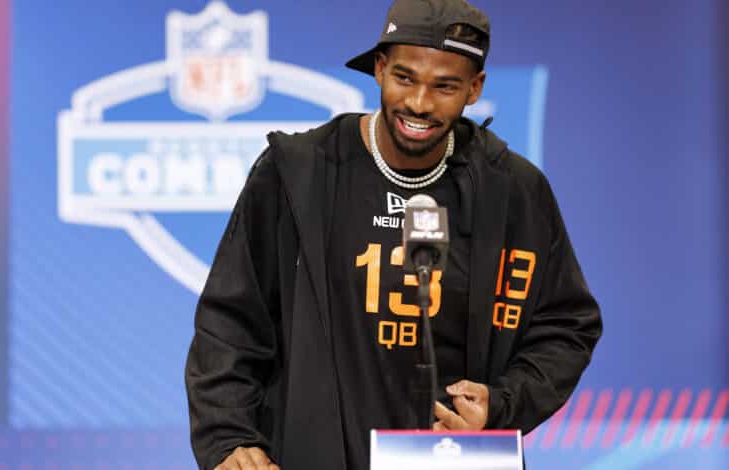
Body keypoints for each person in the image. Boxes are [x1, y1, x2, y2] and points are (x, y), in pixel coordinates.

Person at [185, 1, 602, 469]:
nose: (420, 103)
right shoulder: (297, 175)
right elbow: (230, 322)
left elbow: (566, 326)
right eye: (405, 78)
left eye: (445, 86)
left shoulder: (513, 191)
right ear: (380, 69)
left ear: (474, 88)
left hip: (456, 460)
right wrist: (228, 437)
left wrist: (501, 404)